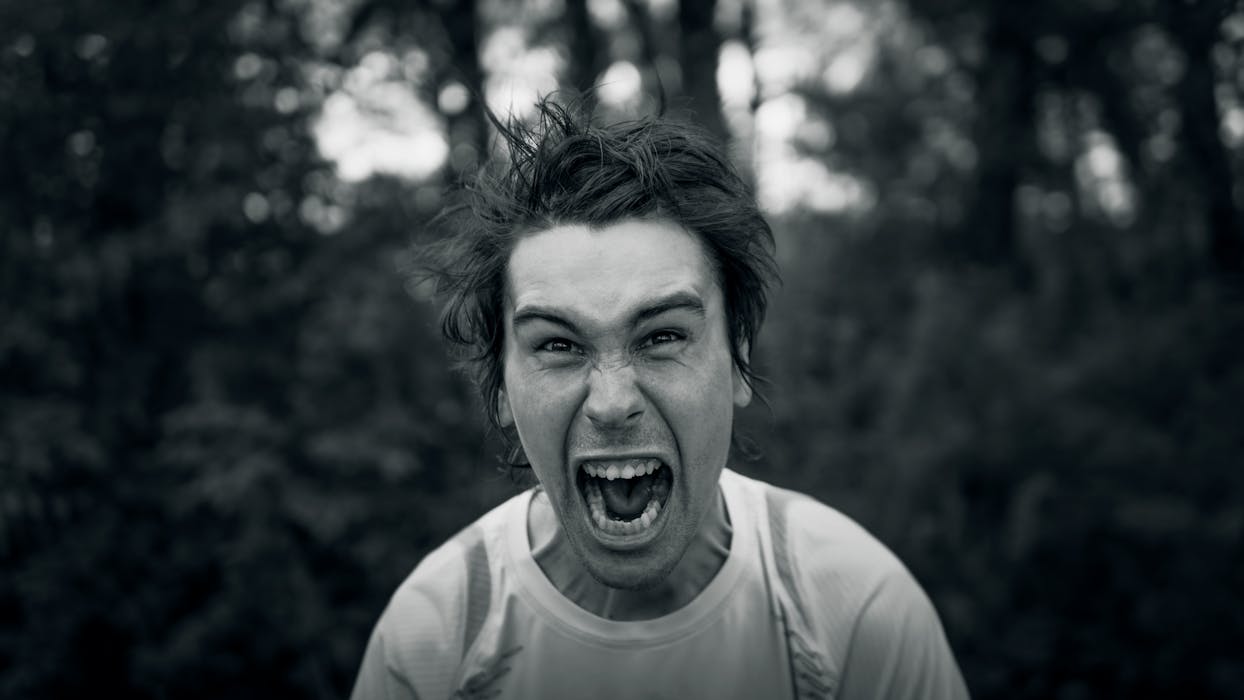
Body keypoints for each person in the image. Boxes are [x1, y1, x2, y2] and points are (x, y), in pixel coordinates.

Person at [351, 97, 969, 699]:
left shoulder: (858, 612)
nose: (612, 402)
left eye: (663, 336)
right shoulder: (435, 638)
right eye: (559, 345)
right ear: (501, 389)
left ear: (739, 361)